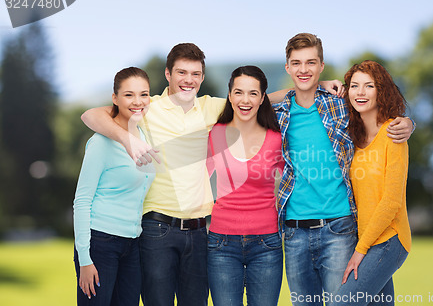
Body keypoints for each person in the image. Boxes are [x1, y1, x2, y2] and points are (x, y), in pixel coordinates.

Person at [81, 43, 344, 306]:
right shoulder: (149, 107)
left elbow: (261, 97)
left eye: (195, 74)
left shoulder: (211, 108)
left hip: (199, 231)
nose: (188, 80)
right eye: (181, 73)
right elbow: (92, 115)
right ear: (168, 75)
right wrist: (128, 140)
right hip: (156, 227)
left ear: (203, 78)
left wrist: (317, 85)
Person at [273, 33, 414, 306]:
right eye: (297, 63)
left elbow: (379, 112)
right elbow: (250, 100)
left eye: (311, 63)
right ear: (287, 67)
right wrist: (310, 85)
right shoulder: (279, 113)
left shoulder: (340, 105)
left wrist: (408, 123)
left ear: (322, 64)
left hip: (339, 229)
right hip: (293, 233)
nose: (304, 69)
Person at [73, 67, 155, 305]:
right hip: (100, 244)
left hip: (132, 244)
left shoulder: (144, 135)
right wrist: (85, 259)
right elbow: (82, 200)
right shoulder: (100, 142)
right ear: (115, 99)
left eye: (144, 94)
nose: (137, 101)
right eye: (129, 95)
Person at [334, 60, 411, 306]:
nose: (360, 92)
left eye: (369, 86)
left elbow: (391, 202)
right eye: (355, 86)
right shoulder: (353, 139)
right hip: (366, 239)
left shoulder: (394, 134)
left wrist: (361, 250)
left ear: (382, 91)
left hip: (389, 240)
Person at [206, 66, 284, 306]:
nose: (245, 100)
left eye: (253, 93)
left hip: (266, 244)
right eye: (238, 92)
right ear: (229, 96)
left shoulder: (276, 138)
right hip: (221, 244)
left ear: (263, 98)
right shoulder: (215, 134)